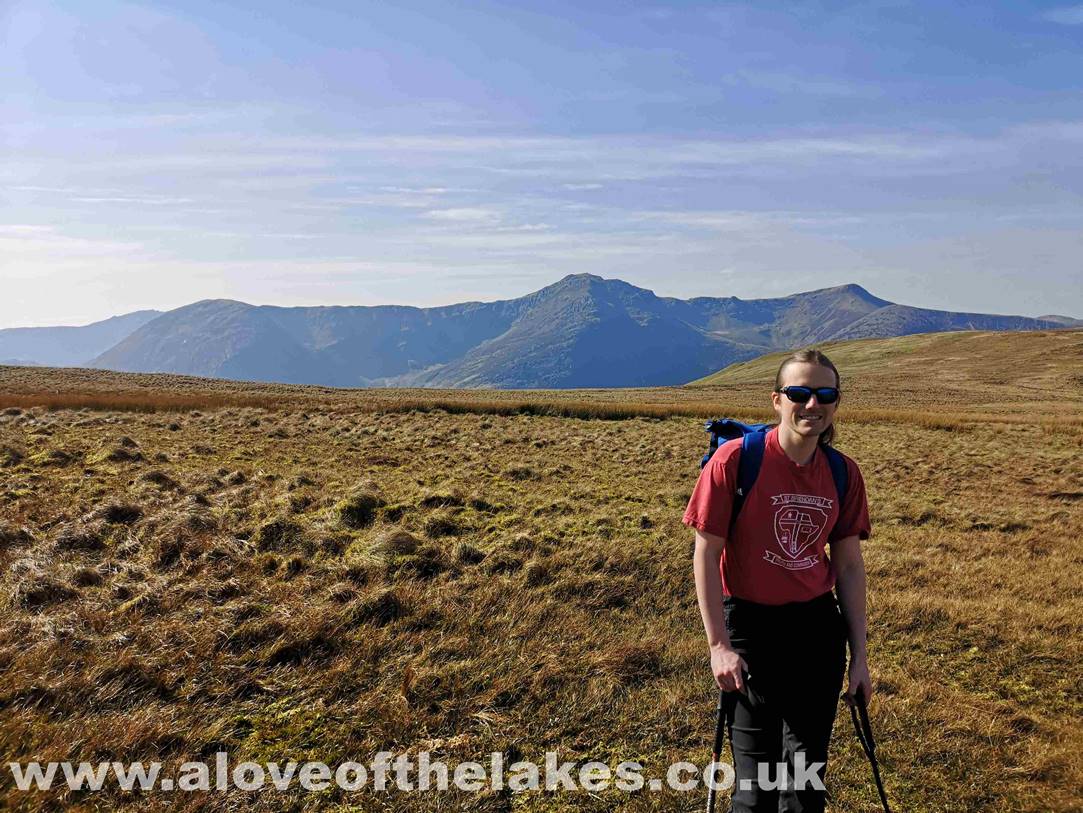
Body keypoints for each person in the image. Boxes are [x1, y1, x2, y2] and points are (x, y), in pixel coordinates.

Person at [683, 349, 872, 813]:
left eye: (824, 394)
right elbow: (706, 555)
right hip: (749, 627)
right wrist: (718, 646)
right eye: (799, 393)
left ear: (836, 402)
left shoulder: (844, 473)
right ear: (776, 400)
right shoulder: (734, 462)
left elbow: (848, 566)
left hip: (815, 631)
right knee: (756, 786)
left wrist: (860, 657)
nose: (812, 404)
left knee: (805, 784)